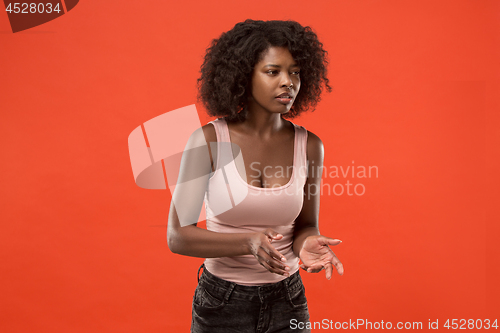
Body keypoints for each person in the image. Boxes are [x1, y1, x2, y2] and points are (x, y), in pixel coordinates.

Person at [167, 19, 344, 333]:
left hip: (288, 298)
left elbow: (305, 225)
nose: (288, 82)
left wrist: (307, 245)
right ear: (243, 76)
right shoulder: (208, 141)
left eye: (295, 72)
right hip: (222, 303)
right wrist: (247, 243)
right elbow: (178, 236)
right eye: (274, 71)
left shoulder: (309, 146)